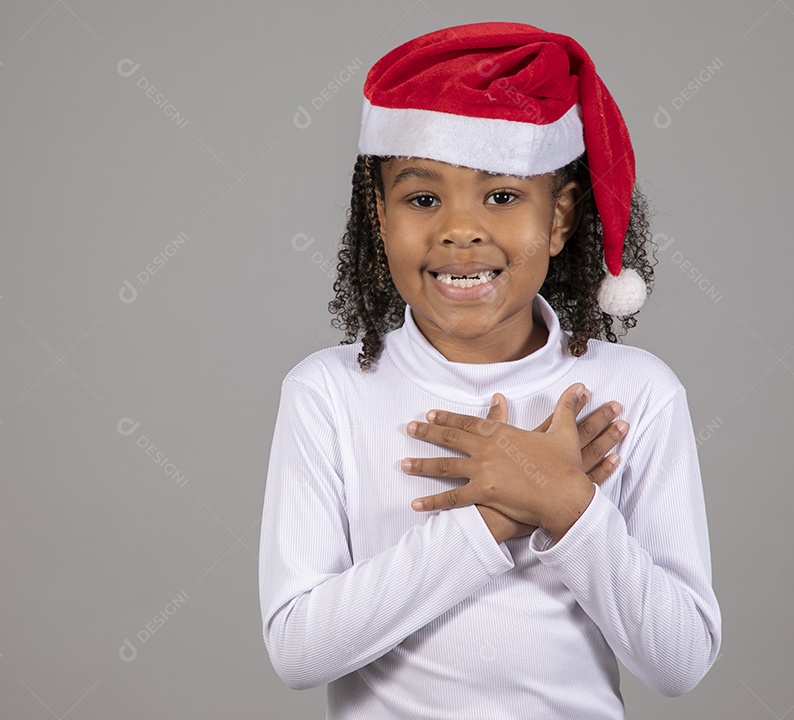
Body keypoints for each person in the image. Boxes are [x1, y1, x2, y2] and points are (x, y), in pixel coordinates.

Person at [259, 21, 721, 719]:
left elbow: (680, 660)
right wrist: (498, 513)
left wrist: (566, 506)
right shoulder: (326, 393)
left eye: (501, 196)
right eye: (422, 199)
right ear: (380, 217)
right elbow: (299, 649)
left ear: (559, 218)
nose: (460, 229)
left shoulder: (639, 393)